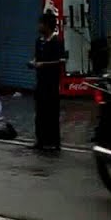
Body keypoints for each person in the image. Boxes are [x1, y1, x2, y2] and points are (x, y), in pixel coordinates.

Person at [29, 12, 66, 152]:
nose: (39, 26)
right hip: (40, 82)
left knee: (52, 113)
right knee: (40, 113)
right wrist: (34, 62)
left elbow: (60, 61)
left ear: (47, 25)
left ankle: (54, 142)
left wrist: (43, 64)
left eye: (41, 23)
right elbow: (36, 58)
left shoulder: (57, 42)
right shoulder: (39, 41)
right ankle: (40, 140)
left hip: (51, 83)